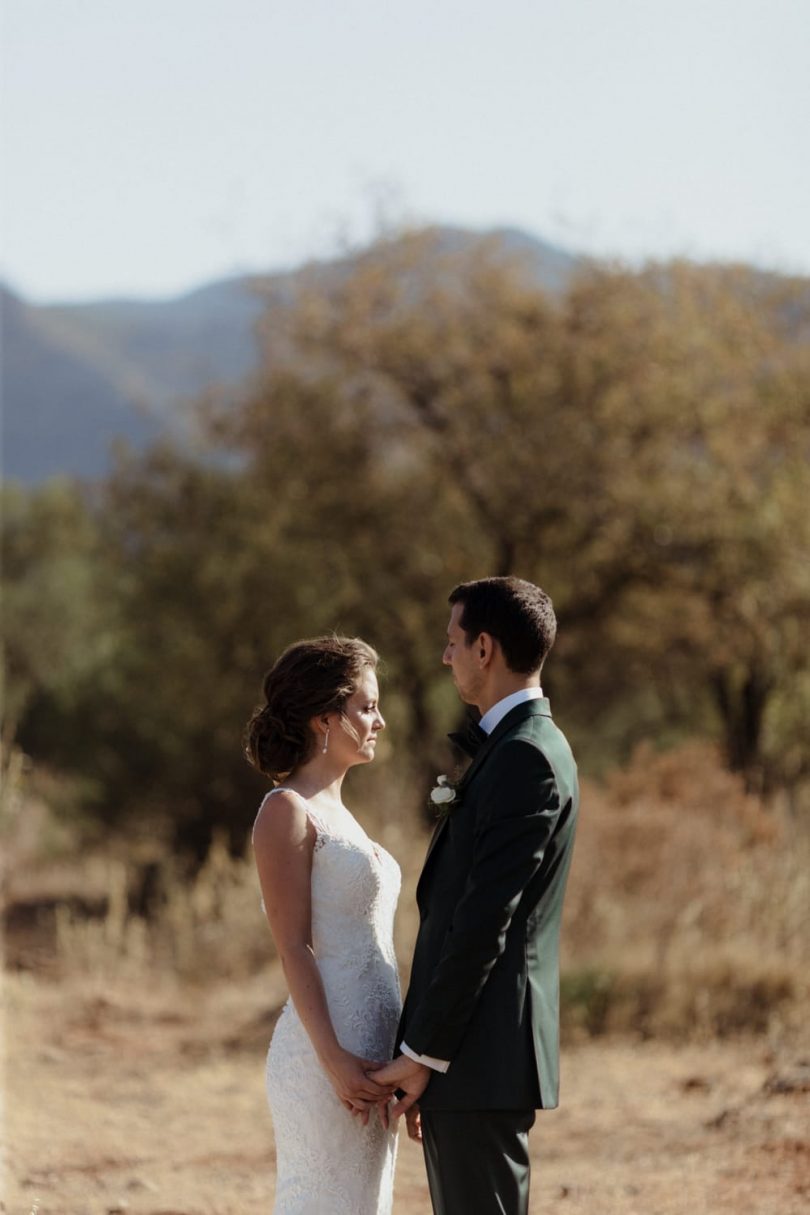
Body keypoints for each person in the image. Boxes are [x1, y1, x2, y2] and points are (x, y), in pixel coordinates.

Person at [374, 577, 580, 1215]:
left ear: (484, 649)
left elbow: (486, 921)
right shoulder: (514, 749)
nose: (446, 656)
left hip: (479, 1053)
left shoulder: (527, 758)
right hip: (467, 1059)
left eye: (453, 642)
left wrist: (423, 1053)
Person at [245, 636, 401, 1215]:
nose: (380, 720)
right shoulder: (287, 809)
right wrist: (333, 1058)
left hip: (375, 1058)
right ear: (324, 717)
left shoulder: (345, 815)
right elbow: (292, 946)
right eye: (367, 707)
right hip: (325, 1057)